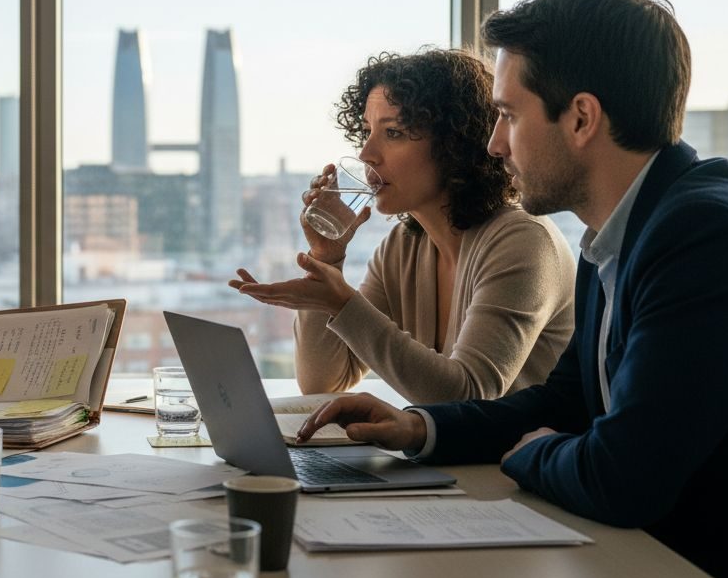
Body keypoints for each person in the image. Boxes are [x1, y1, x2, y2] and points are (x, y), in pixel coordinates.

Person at [296, 0, 728, 578]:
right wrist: (419, 427)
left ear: (581, 117)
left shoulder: (705, 233)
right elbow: (568, 399)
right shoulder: (620, 230)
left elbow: (622, 478)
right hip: (641, 564)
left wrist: (531, 453)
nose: (495, 144)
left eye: (508, 116)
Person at [231, 49, 575, 403]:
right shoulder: (404, 246)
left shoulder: (523, 242)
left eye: (393, 132)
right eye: (366, 130)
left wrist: (344, 303)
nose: (366, 153)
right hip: (448, 460)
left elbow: (468, 397)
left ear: (454, 144)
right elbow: (323, 382)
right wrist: (326, 259)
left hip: (512, 458)